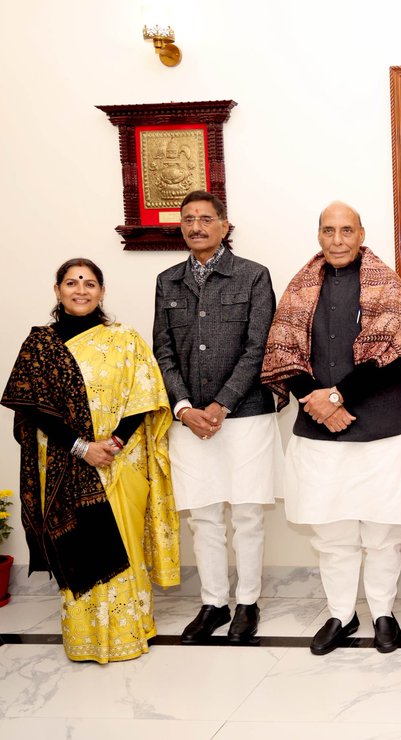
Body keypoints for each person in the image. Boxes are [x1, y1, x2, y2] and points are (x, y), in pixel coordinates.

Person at [261, 201, 401, 655]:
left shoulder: (390, 287)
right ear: (319, 235)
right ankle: (341, 615)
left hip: (381, 432)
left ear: (361, 234)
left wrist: (336, 397)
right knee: (332, 534)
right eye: (329, 230)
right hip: (320, 434)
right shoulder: (299, 289)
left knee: (383, 533)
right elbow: (283, 354)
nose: (337, 239)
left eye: (346, 230)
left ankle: (383, 613)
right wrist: (318, 401)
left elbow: (396, 356)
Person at [3, 259, 178, 663]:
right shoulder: (40, 345)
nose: (80, 290)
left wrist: (112, 444)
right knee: (79, 546)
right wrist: (82, 447)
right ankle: (85, 638)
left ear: (102, 291)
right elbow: (34, 408)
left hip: (120, 460)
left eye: (89, 283)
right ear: (57, 290)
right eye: (71, 282)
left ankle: (131, 633)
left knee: (125, 545)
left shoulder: (125, 339)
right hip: (64, 459)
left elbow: (146, 396)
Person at [153, 190, 282, 645]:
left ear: (224, 226)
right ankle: (213, 603)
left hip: (245, 415)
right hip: (189, 421)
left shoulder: (253, 275)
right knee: (203, 516)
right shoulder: (167, 281)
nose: (196, 226)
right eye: (188, 219)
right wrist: (185, 407)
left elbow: (258, 348)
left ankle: (247, 603)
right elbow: (163, 352)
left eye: (206, 218)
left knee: (247, 513)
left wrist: (221, 403)